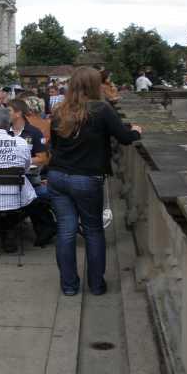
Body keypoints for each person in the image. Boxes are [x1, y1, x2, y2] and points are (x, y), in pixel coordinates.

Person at [49, 67, 142, 296]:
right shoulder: (101, 109)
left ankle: (69, 286)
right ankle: (96, 285)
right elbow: (124, 137)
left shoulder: (60, 110)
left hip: (58, 177)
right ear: (94, 85)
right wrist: (136, 131)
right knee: (93, 230)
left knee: (66, 231)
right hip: (86, 179)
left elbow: (54, 146)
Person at [0, 107, 55, 250]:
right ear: (9, 123)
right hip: (16, 198)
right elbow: (26, 167)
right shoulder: (21, 143)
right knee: (31, 197)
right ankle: (9, 228)